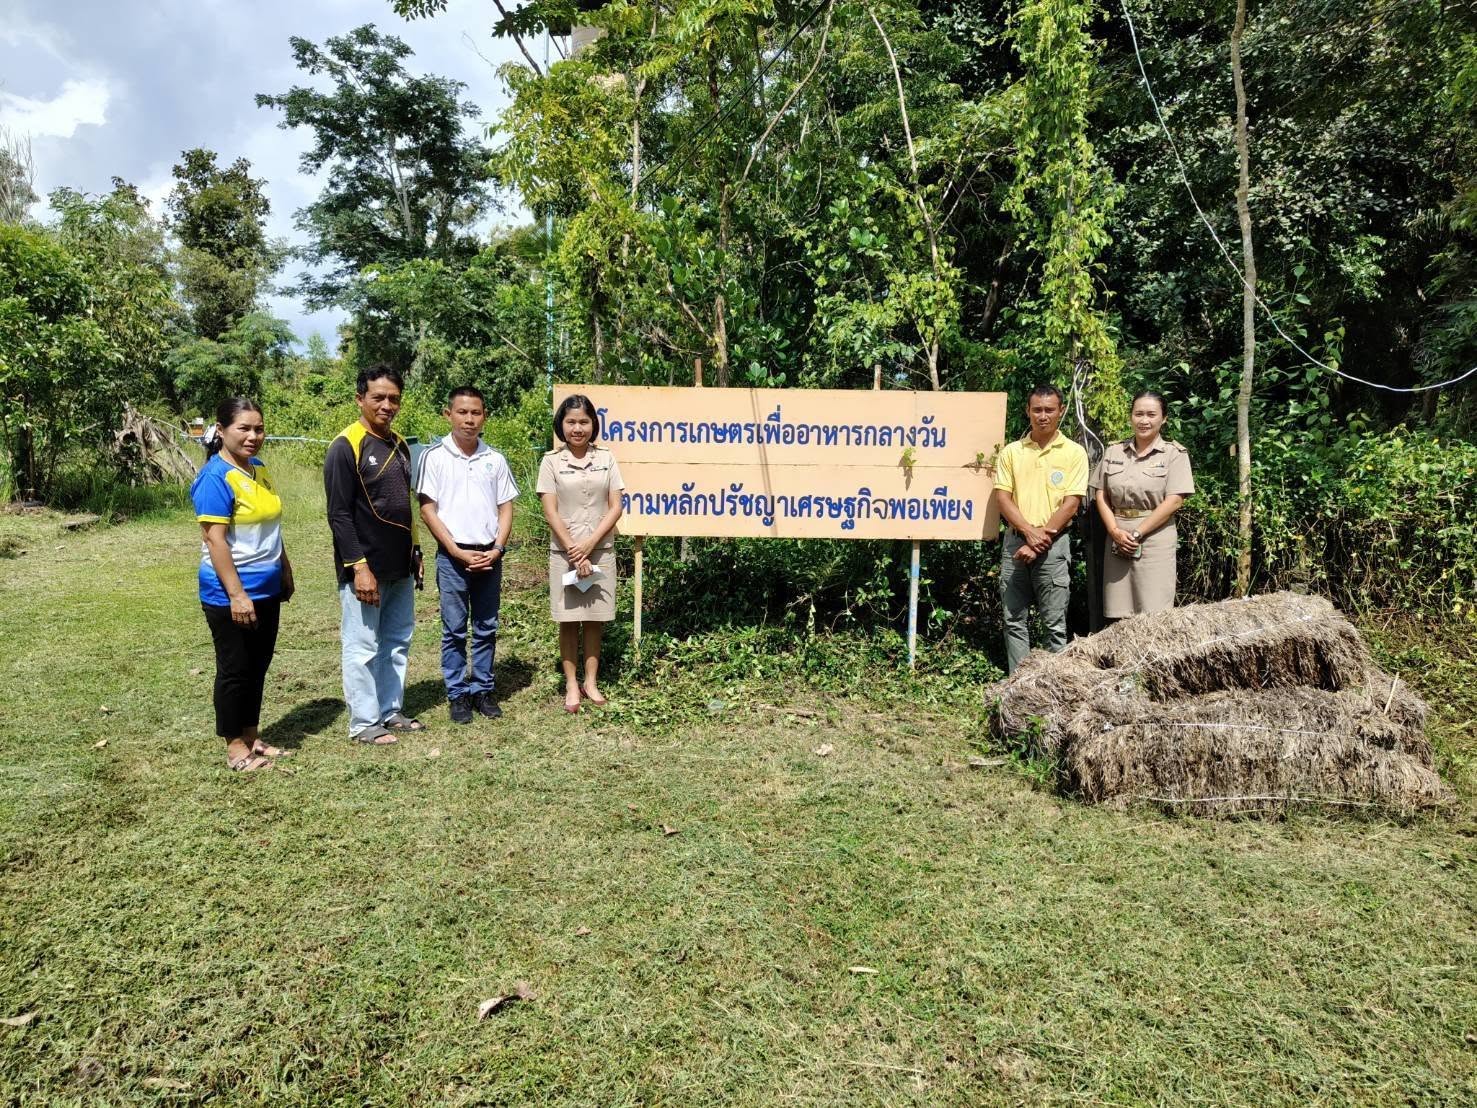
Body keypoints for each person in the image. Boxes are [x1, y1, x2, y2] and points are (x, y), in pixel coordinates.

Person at [191, 397, 294, 771]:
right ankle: (235, 748)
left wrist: (284, 566)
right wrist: (237, 594)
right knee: (235, 669)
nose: (253, 436)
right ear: (221, 431)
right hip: (230, 594)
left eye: (259, 428)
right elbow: (215, 540)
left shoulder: (260, 469)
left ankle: (252, 735)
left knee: (259, 664)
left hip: (266, 588)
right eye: (244, 428)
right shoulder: (215, 478)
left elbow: (270, 526)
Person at [324, 365, 425, 745]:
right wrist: (358, 566)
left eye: (393, 398)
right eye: (378, 397)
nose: (387, 405)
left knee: (397, 639)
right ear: (360, 399)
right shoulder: (344, 446)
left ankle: (390, 709)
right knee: (363, 644)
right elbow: (339, 513)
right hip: (365, 566)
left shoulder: (399, 444)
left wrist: (415, 549)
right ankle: (364, 722)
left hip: (399, 563)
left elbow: (405, 506)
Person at [417, 386, 519, 724]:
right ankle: (458, 694)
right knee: (455, 630)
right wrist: (456, 551)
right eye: (462, 412)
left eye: (476, 412)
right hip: (452, 557)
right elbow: (428, 510)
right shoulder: (435, 456)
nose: (469, 419)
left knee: (487, 627)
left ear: (484, 416)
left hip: (490, 556)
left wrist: (498, 548)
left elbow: (506, 508)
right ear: (449, 415)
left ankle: (483, 690)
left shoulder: (495, 459)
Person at [992, 384, 1089, 674]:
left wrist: (1037, 541)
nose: (1043, 416)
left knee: (1054, 624)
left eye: (1049, 410)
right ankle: (1019, 686)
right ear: (1028, 411)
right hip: (1014, 545)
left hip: (1054, 547)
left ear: (1061, 411)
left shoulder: (1074, 453)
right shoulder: (1012, 452)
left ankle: (1054, 686)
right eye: (1037, 410)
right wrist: (1028, 533)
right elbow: (1002, 498)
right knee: (1013, 620)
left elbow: (1071, 504)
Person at [537, 394, 625, 714]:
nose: (578, 428)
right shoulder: (551, 462)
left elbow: (615, 507)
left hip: (600, 551)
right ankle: (571, 684)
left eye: (584, 422)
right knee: (568, 620)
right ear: (562, 424)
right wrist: (575, 550)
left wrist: (589, 546)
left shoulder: (607, 458)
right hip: (564, 553)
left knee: (594, 620)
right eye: (571, 421)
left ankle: (591, 681)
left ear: (593, 425)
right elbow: (550, 511)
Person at [1090, 390, 1195, 619]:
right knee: (1118, 611)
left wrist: (1137, 533)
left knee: (1154, 611)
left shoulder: (1173, 454)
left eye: (1151, 414)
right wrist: (1114, 531)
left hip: (1154, 538)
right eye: (1138, 414)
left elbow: (1175, 500)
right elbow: (1101, 494)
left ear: (1164, 418)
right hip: (1117, 538)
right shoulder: (1114, 451)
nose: (1144, 420)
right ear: (1131, 417)